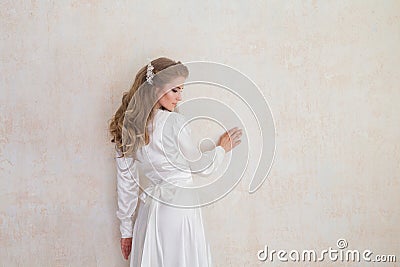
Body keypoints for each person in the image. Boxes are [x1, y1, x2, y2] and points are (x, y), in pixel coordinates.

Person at [108, 57, 242, 267]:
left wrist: (126, 229)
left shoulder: (129, 127)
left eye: (181, 90)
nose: (179, 97)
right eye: (175, 90)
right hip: (179, 209)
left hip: (149, 211)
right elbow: (202, 167)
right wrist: (221, 148)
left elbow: (126, 183)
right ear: (155, 89)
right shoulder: (173, 122)